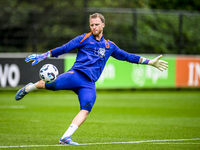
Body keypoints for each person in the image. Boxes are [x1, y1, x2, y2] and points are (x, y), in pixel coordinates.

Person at [15, 13, 168, 145]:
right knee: (52, 85)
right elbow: (64, 48)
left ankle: (65, 137)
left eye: (96, 24)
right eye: (91, 25)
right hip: (76, 75)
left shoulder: (110, 46)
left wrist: (150, 62)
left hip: (88, 84)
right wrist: (43, 55)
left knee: (86, 108)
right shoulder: (84, 39)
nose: (93, 27)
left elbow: (128, 57)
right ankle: (29, 87)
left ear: (103, 25)